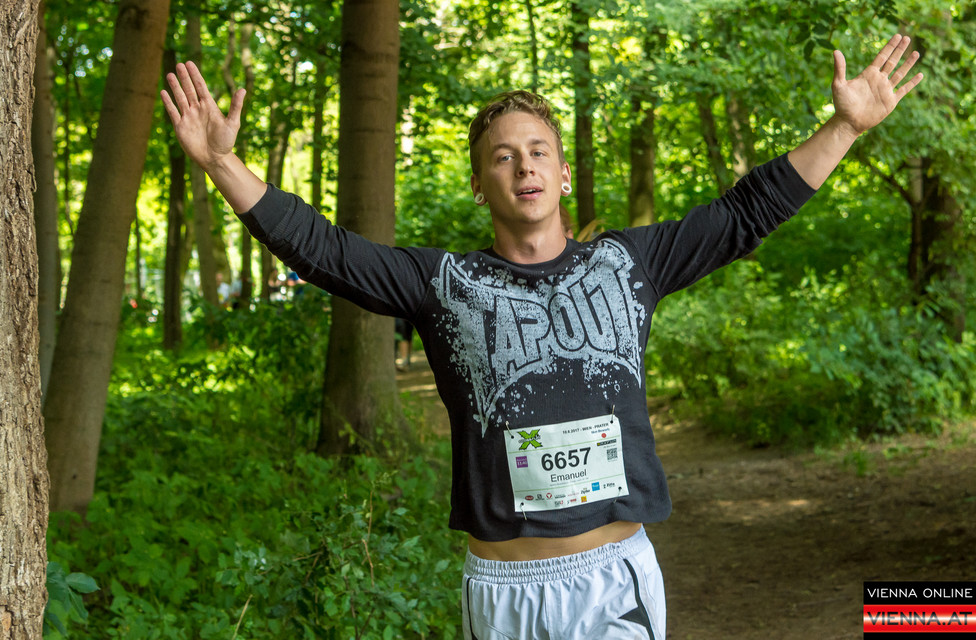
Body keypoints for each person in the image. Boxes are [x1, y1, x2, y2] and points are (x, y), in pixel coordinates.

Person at [162, 35, 922, 639]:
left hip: (612, 580)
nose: (522, 165)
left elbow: (745, 213)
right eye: (502, 156)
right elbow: (323, 250)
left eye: (538, 152)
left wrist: (844, 126)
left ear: (560, 175)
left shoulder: (630, 262)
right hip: (503, 592)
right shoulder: (442, 283)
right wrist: (222, 162)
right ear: (479, 184)